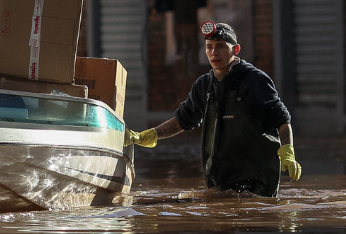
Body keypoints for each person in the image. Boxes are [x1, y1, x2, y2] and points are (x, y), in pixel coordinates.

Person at [126, 22, 301, 197]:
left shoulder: (255, 80)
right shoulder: (204, 85)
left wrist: (288, 152)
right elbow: (182, 121)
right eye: (209, 47)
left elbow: (282, 120)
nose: (214, 53)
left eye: (221, 47)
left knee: (253, 214)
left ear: (236, 49)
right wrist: (149, 135)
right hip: (221, 177)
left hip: (258, 178)